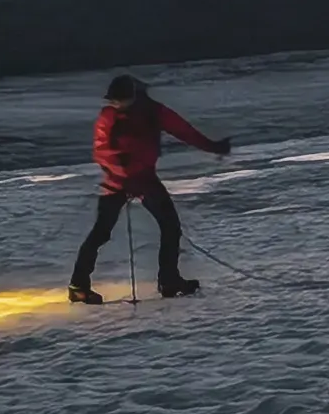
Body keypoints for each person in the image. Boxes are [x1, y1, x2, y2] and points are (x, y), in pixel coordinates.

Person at [70, 74, 232, 304]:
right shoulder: (108, 117)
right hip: (117, 181)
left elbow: (183, 130)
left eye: (119, 100)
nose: (115, 104)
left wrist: (212, 146)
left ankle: (169, 280)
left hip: (145, 180)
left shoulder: (153, 111)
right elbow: (101, 150)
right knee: (101, 232)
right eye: (112, 100)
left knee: (171, 227)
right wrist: (123, 171)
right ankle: (78, 286)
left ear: (133, 96)